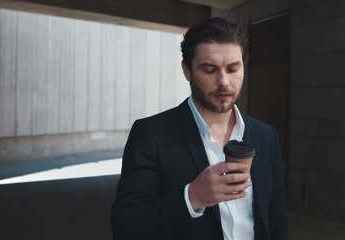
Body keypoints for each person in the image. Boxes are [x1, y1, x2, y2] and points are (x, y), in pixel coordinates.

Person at [111, 17, 288, 240]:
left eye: (233, 68)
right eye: (209, 70)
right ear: (187, 71)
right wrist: (193, 197)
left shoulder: (266, 136)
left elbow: (276, 221)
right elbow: (125, 227)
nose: (223, 81)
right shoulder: (151, 135)